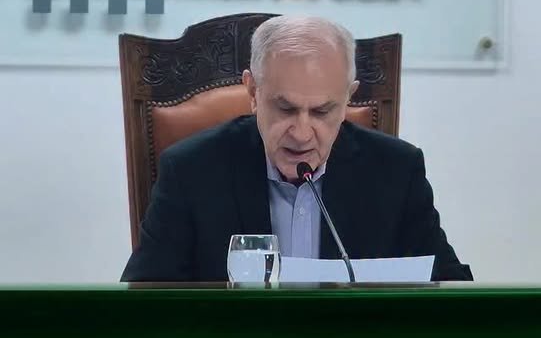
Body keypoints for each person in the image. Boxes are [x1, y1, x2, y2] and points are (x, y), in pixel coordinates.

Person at [122, 16, 472, 282]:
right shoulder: (191, 171)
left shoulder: (396, 171)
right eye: (285, 108)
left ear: (348, 99)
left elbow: (451, 292)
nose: (302, 134)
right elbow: (143, 303)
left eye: (322, 112)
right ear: (253, 91)